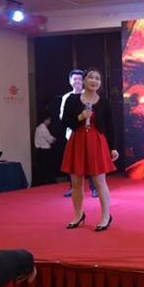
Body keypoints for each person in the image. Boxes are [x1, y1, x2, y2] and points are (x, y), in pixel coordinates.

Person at [61, 68, 118, 231]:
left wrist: (113, 147)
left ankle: (106, 216)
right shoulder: (72, 99)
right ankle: (78, 215)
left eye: (97, 79)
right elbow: (64, 122)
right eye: (91, 77)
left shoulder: (104, 102)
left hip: (96, 142)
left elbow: (111, 127)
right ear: (84, 80)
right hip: (77, 141)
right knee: (76, 182)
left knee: (100, 182)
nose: (94, 81)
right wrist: (80, 117)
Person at [59, 69, 97, 198]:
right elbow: (62, 116)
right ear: (70, 81)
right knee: (73, 163)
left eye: (80, 79)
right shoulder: (66, 97)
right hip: (72, 134)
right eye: (74, 79)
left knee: (91, 161)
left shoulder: (89, 95)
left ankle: (94, 188)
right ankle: (73, 188)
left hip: (88, 133)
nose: (77, 81)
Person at [33, 115, 57, 186]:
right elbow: (50, 139)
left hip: (39, 151)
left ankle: (41, 182)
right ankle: (47, 182)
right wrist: (54, 139)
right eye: (49, 120)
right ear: (45, 120)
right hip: (45, 151)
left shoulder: (38, 128)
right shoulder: (43, 129)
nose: (50, 122)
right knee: (46, 168)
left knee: (41, 168)